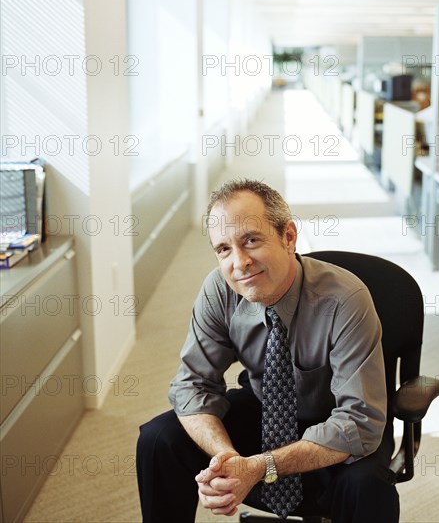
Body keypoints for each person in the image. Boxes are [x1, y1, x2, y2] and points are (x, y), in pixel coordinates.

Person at [136, 179, 399, 523]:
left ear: (289, 236)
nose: (239, 262)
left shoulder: (344, 300)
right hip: (268, 408)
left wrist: (261, 467)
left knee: (367, 484)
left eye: (251, 240)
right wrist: (227, 458)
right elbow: (192, 386)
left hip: (338, 421)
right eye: (224, 249)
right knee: (159, 439)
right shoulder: (220, 289)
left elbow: (359, 422)